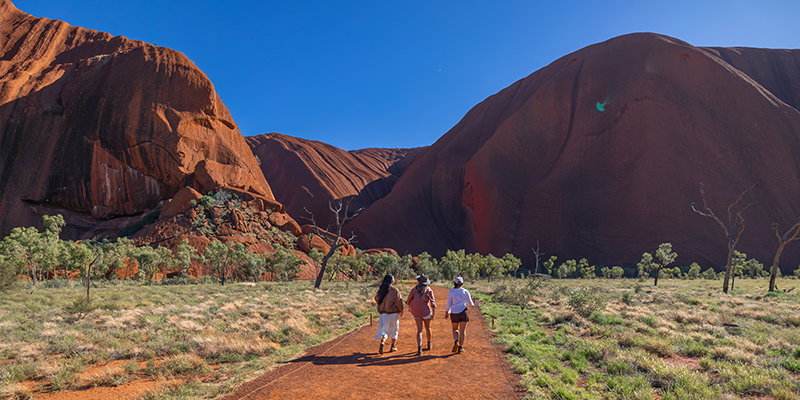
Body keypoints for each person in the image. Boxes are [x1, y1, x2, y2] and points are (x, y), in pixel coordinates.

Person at [406, 274, 436, 356]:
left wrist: (410, 307)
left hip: (416, 312)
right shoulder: (429, 289)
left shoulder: (414, 290)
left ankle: (419, 348)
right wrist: (433, 313)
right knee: (428, 328)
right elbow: (433, 303)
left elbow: (408, 300)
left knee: (419, 330)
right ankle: (429, 343)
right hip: (426, 311)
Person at [374, 273, 403, 354]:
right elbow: (399, 302)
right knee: (394, 330)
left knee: (384, 330)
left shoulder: (381, 290)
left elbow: (376, 298)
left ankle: (383, 342)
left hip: (384, 314)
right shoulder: (394, 290)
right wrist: (401, 309)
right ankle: (392, 347)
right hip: (393, 314)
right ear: (392, 281)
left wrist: (381, 305)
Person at [444, 276, 474, 354]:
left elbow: (448, 304)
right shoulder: (465, 291)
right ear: (462, 283)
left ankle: (456, 341)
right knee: (462, 331)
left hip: (454, 313)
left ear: (455, 283)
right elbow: (471, 304)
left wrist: (446, 312)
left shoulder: (451, 292)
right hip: (464, 312)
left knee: (455, 329)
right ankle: (460, 347)